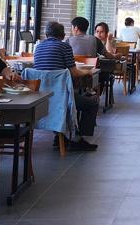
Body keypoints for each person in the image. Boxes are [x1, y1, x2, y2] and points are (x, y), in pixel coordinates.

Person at [34, 21, 98, 151]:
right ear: (63, 35)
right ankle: (78, 139)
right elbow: (74, 73)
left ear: (46, 34)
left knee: (73, 97)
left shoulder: (38, 48)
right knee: (91, 103)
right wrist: (87, 72)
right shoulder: (65, 47)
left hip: (40, 98)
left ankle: (59, 137)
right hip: (60, 97)